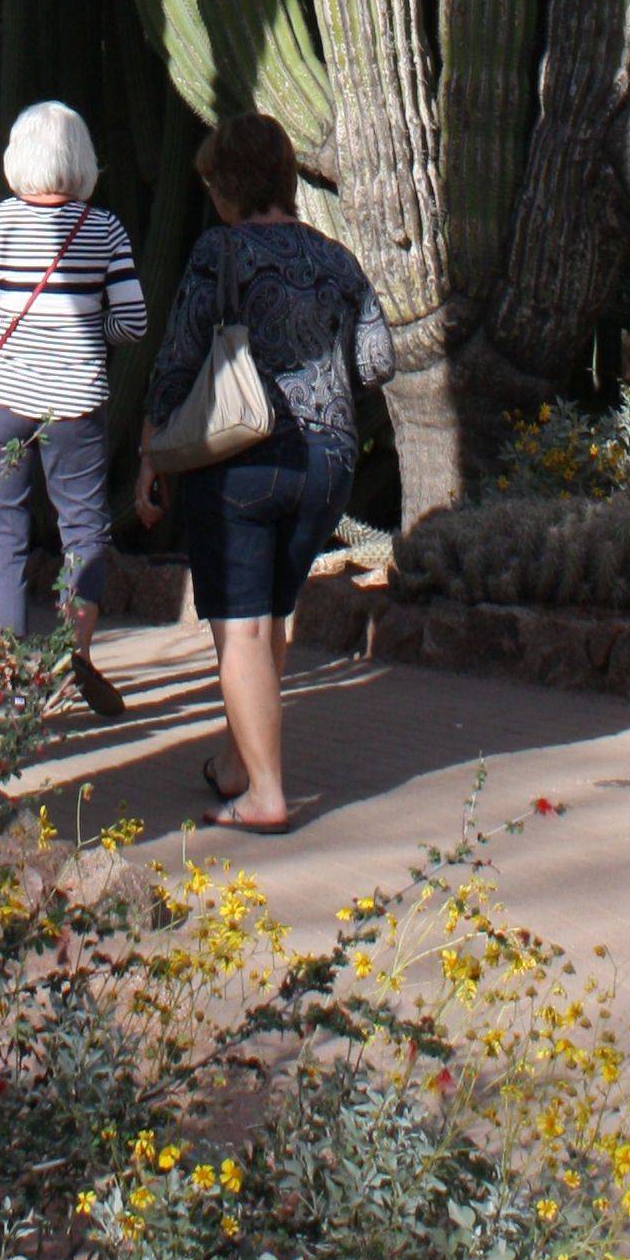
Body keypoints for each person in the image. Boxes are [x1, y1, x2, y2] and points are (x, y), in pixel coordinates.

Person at [134, 112, 394, 833]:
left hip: (245, 461)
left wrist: (151, 454)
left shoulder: (221, 251)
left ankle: (266, 796)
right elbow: (379, 361)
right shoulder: (336, 258)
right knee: (270, 619)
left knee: (241, 631)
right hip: (330, 466)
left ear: (229, 184)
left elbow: (180, 359)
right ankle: (237, 762)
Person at [0, 101, 146, 721]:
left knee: (4, 535)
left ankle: (2, 679)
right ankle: (73, 654)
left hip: (2, 400)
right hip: (78, 406)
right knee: (84, 531)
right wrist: (86, 329)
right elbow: (132, 323)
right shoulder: (105, 229)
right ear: (80, 160)